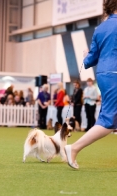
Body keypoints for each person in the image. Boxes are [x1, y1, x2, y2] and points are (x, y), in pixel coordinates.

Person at [65, 0, 117, 169]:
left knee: (109, 117)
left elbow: (90, 59)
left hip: (103, 73)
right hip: (115, 73)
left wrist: (86, 55)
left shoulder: (99, 28)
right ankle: (73, 148)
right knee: (108, 120)